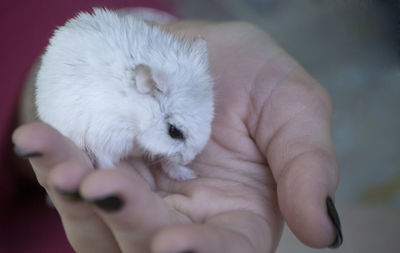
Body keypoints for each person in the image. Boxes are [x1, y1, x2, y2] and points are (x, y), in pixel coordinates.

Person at [5, 1, 342, 253]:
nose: (191, 153)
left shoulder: (165, 80)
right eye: (177, 133)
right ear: (147, 86)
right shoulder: (118, 106)